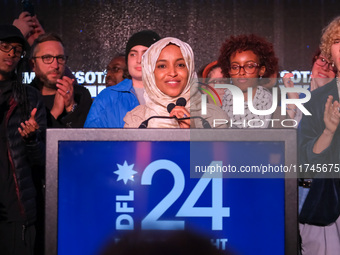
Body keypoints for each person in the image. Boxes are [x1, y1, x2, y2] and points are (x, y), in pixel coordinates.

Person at [0, 24, 46, 255]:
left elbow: (41, 159)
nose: (11, 54)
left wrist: (30, 139)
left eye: (17, 50)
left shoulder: (29, 98)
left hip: (15, 210)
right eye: (5, 47)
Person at [298, 16, 340, 255]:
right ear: (329, 52)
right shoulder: (315, 101)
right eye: (337, 41)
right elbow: (304, 159)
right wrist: (328, 132)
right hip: (328, 209)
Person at [123, 37, 228, 128]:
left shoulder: (214, 117)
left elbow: (221, 151)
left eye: (180, 65)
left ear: (190, 70)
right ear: (150, 73)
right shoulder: (136, 119)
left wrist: (195, 133)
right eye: (162, 66)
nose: (172, 73)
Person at [84, 30, 161, 128]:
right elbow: (90, 139)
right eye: (133, 54)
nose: (138, 60)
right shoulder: (107, 97)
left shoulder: (171, 95)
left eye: (145, 53)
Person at [218, 34, 285, 128]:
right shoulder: (216, 112)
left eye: (249, 66)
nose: (241, 72)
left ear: (261, 70)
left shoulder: (279, 115)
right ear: (229, 71)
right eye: (235, 67)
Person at [30, 33, 92, 128]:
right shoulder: (23, 97)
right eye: (47, 58)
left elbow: (86, 138)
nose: (55, 65)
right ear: (33, 64)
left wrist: (71, 107)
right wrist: (54, 113)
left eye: (60, 58)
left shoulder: (81, 94)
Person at [283, 49, 336, 121]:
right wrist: (293, 102)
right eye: (322, 60)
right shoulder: (293, 98)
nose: (325, 68)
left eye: (333, 65)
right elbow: (281, 131)